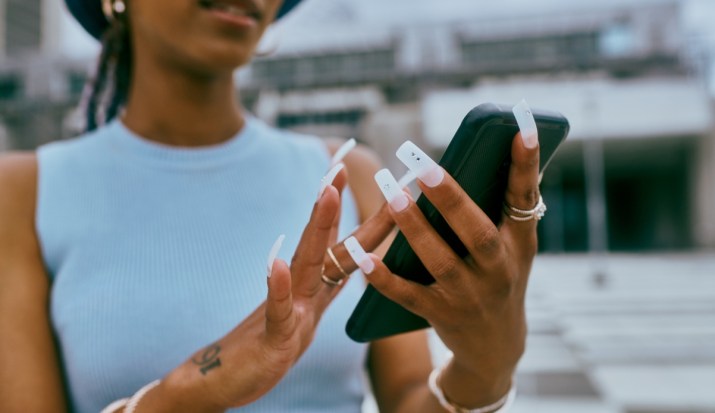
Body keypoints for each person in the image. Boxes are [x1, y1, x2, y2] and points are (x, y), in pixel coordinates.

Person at [0, 0, 546, 412]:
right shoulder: (23, 192)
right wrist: (186, 393)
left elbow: (410, 399)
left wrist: (485, 369)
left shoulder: (348, 174)